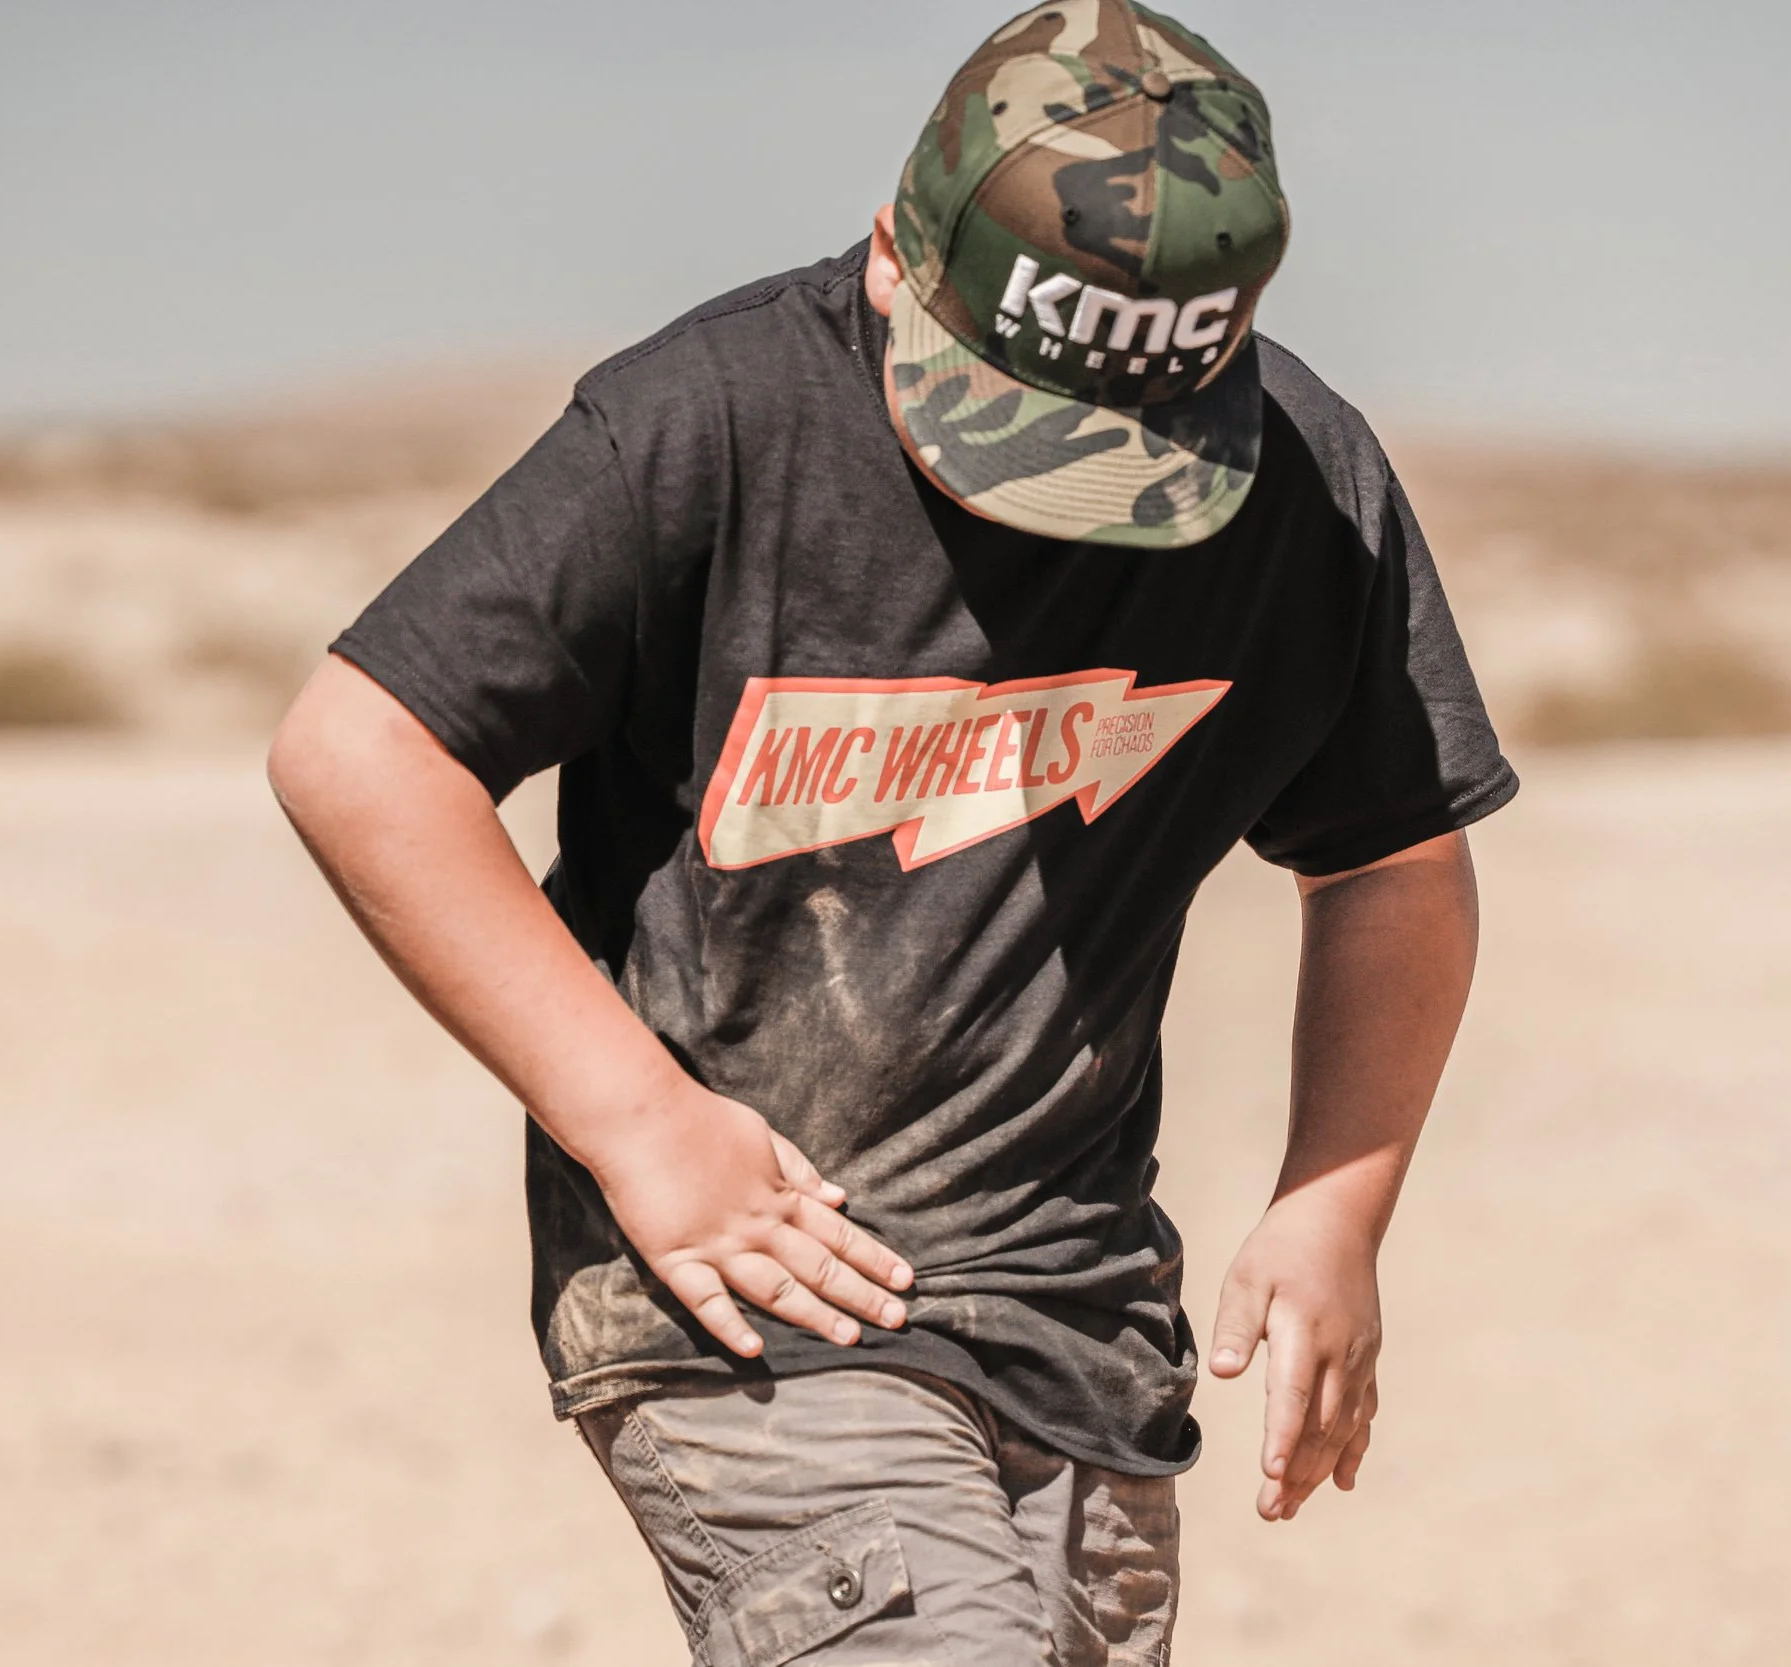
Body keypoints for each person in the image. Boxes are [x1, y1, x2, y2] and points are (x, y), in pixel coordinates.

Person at [268, 3, 1515, 1661]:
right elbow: (361, 747)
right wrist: (638, 1121)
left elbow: (1395, 860)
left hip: (1085, 1332)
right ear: (892, 253)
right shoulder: (708, 420)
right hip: (751, 1290)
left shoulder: (1306, 486)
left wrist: (1334, 1200)